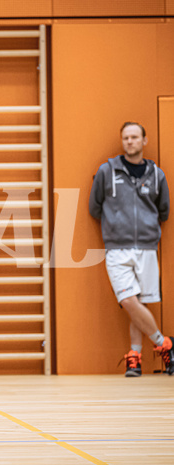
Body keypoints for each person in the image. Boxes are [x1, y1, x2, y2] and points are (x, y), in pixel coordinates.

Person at [89, 121, 173, 377]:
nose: (130, 142)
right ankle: (164, 344)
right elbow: (95, 207)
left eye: (135, 137)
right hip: (117, 249)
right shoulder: (106, 171)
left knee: (139, 303)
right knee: (127, 300)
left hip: (147, 248)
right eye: (126, 137)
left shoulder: (157, 175)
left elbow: (164, 210)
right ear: (122, 141)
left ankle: (134, 357)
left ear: (144, 141)